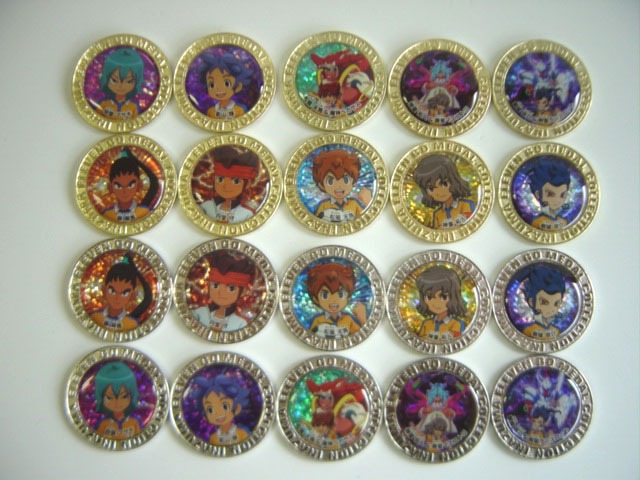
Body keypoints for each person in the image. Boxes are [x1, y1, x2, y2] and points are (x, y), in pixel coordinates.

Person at [191, 251, 254, 332]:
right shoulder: (198, 313)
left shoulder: (240, 323)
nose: (221, 293)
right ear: (208, 286)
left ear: (243, 292)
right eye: (215, 285)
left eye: (231, 288)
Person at [89, 253, 152, 331]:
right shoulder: (94, 316)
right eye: (112, 291)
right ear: (104, 290)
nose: (117, 297)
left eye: (124, 293)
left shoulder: (131, 323)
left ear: (132, 295)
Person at [306, 262, 367, 339]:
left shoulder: (348, 320)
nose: (334, 300)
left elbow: (361, 336)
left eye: (340, 294)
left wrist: (362, 319)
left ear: (348, 298)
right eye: (325, 295)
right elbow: (310, 338)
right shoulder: (318, 321)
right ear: (316, 299)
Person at [199, 146, 259, 224]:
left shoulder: (247, 213)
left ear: (248, 184)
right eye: (220, 179)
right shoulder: (205, 207)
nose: (226, 186)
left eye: (236, 181)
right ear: (213, 180)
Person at [413, 155, 475, 229]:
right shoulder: (437, 214)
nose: (439, 192)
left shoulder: (467, 205)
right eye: (431, 188)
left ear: (454, 181)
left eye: (443, 184)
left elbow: (471, 225)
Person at [311, 149, 371, 223]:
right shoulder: (323, 206)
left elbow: (366, 220)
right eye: (330, 181)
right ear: (321, 185)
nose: (339, 186)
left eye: (346, 180)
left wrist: (367, 203)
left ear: (353, 183)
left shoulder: (354, 204)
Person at [102, 147, 160, 223]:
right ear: (110, 187)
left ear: (139, 185)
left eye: (130, 185)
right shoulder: (107, 213)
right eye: (118, 186)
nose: (124, 191)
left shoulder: (145, 211)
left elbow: (154, 181)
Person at [193, 375, 250, 445]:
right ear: (205, 416)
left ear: (237, 408)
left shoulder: (242, 434)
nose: (218, 413)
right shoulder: (213, 438)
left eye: (225, 406)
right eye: (210, 410)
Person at [414, 265, 467, 341]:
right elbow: (419, 340)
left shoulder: (457, 324)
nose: (436, 303)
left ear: (454, 297)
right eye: (429, 297)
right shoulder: (426, 323)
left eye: (443, 297)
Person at [94, 361, 141, 439]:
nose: (117, 403)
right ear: (101, 398)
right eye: (109, 398)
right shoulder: (103, 423)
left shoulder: (134, 421)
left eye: (124, 396)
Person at [199, 52, 252, 119]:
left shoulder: (240, 110)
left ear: (238, 86)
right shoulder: (211, 111)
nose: (218, 89)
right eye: (212, 85)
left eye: (227, 83)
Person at [98, 48, 144, 120]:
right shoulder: (103, 103)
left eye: (129, 81)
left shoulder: (134, 105)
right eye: (114, 80)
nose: (121, 86)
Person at [522, 266, 566, 340]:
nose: (551, 308)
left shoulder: (556, 331)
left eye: (556, 304)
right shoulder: (528, 330)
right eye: (544, 302)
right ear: (531, 302)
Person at [527, 157, 571, 231]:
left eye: (562, 195)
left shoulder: (563, 221)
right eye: (550, 194)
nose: (557, 200)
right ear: (538, 194)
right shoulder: (537, 222)